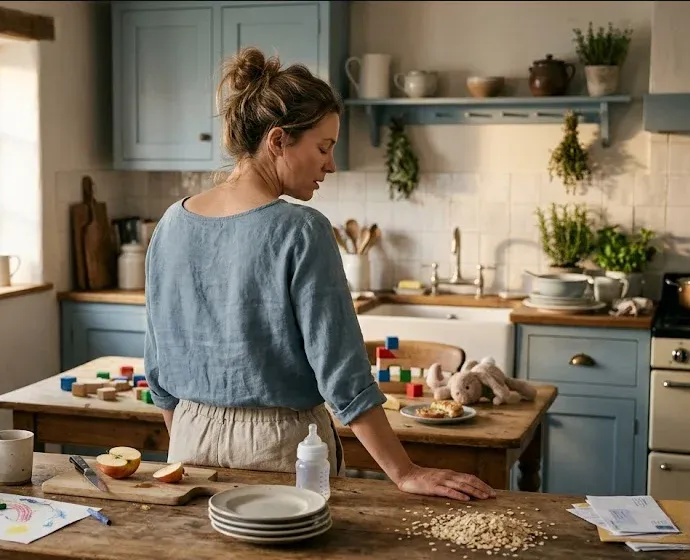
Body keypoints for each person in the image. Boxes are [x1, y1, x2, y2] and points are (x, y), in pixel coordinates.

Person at [142, 47, 495, 502]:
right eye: (323, 147)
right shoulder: (301, 229)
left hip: (187, 443)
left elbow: (158, 367)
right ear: (278, 141)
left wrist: (186, 443)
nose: (331, 164)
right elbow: (343, 374)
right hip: (281, 449)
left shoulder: (171, 221)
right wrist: (404, 471)